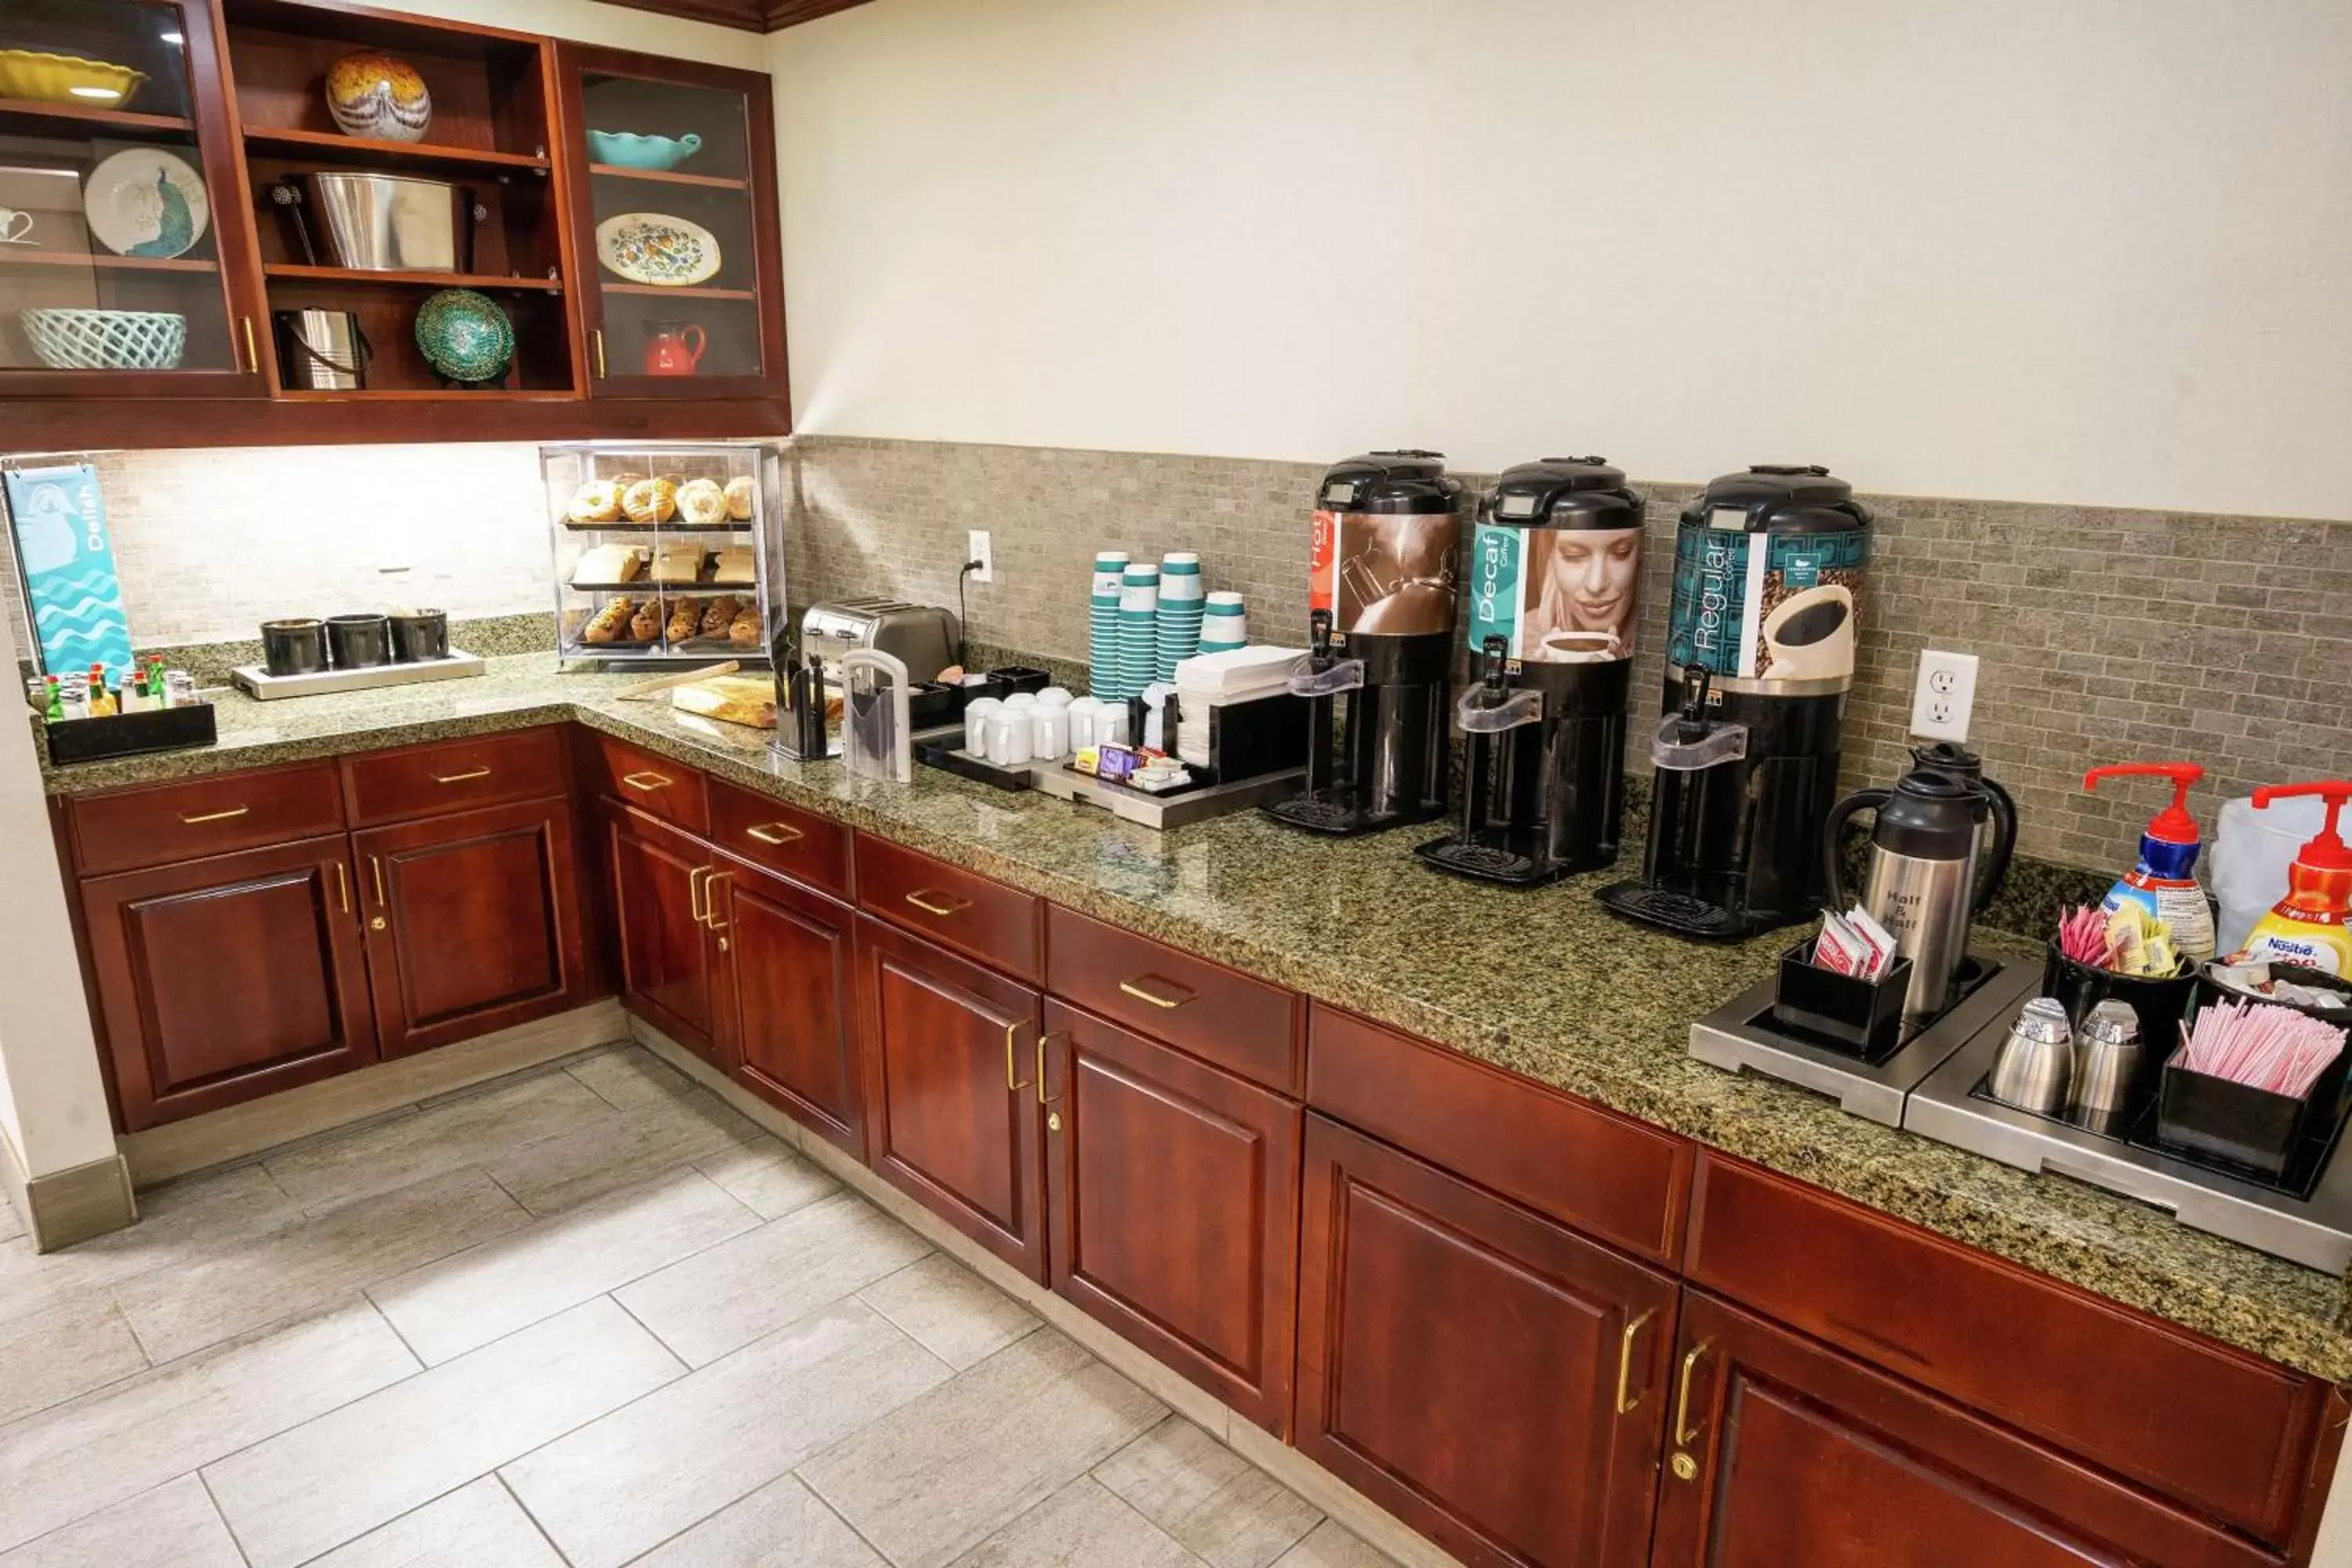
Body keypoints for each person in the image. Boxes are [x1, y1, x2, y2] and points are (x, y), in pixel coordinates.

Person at [1532, 526, 1639, 655]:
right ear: (1551, 557)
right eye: (1573, 555)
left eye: (1621, 552)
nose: (1596, 585)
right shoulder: (1521, 640)